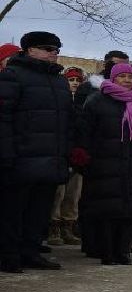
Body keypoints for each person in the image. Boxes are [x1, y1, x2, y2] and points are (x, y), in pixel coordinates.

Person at [74, 63, 132, 265]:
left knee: (130, 211)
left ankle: (123, 251)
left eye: (130, 77)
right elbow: (85, 131)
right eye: (122, 76)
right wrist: (82, 155)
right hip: (104, 163)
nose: (127, 80)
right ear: (113, 78)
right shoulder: (97, 100)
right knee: (107, 210)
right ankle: (107, 252)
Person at [0, 31, 73, 272]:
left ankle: (30, 251)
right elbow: (3, 118)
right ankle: (8, 255)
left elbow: (66, 122)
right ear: (29, 50)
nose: (53, 53)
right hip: (20, 157)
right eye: (47, 48)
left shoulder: (60, 81)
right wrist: (6, 153)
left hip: (51, 159)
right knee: (13, 210)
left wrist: (67, 153)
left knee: (39, 211)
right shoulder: (13, 76)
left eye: (56, 49)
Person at [48, 67, 88, 246]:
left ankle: (68, 226)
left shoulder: (84, 102)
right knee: (58, 192)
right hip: (61, 152)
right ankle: (53, 227)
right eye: (71, 80)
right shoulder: (59, 100)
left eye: (78, 81)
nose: (75, 84)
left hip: (77, 153)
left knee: (74, 193)